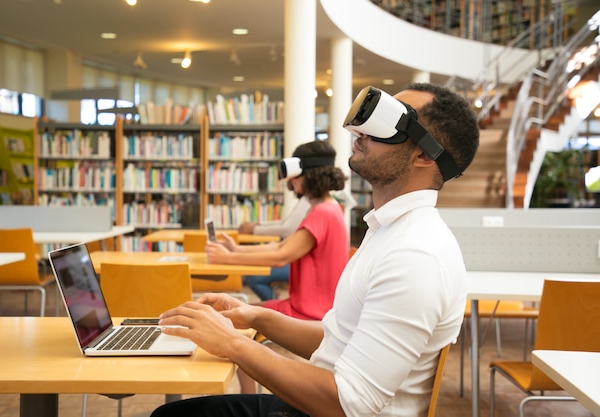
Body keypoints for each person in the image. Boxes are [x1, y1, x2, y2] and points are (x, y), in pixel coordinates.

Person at [151, 82, 480, 417]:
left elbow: (349, 404)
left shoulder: (415, 255)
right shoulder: (391, 232)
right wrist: (256, 316)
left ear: (424, 155)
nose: (360, 132)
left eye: (388, 123)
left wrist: (234, 344)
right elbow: (340, 338)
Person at [206, 139, 349, 320]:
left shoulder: (323, 212)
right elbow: (279, 247)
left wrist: (227, 258)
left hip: (309, 314)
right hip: (307, 308)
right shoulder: (327, 207)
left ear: (311, 175)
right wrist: (237, 249)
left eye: (295, 174)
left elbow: (282, 257)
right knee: (227, 311)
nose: (290, 179)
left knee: (224, 317)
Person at [238, 182, 312, 301]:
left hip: (298, 261)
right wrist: (256, 226)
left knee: (254, 278)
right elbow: (285, 225)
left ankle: (275, 305)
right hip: (293, 256)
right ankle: (275, 304)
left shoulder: (310, 203)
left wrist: (254, 229)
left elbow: (287, 229)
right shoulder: (308, 201)